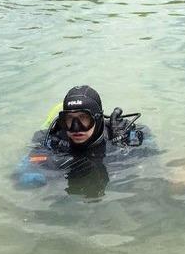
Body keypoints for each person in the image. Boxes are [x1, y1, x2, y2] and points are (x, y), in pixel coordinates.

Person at [15, 85, 149, 199]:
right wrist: (51, 170)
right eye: (69, 119)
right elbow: (24, 172)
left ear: (97, 118)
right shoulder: (52, 138)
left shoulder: (120, 134)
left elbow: (147, 140)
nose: (76, 127)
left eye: (84, 118)